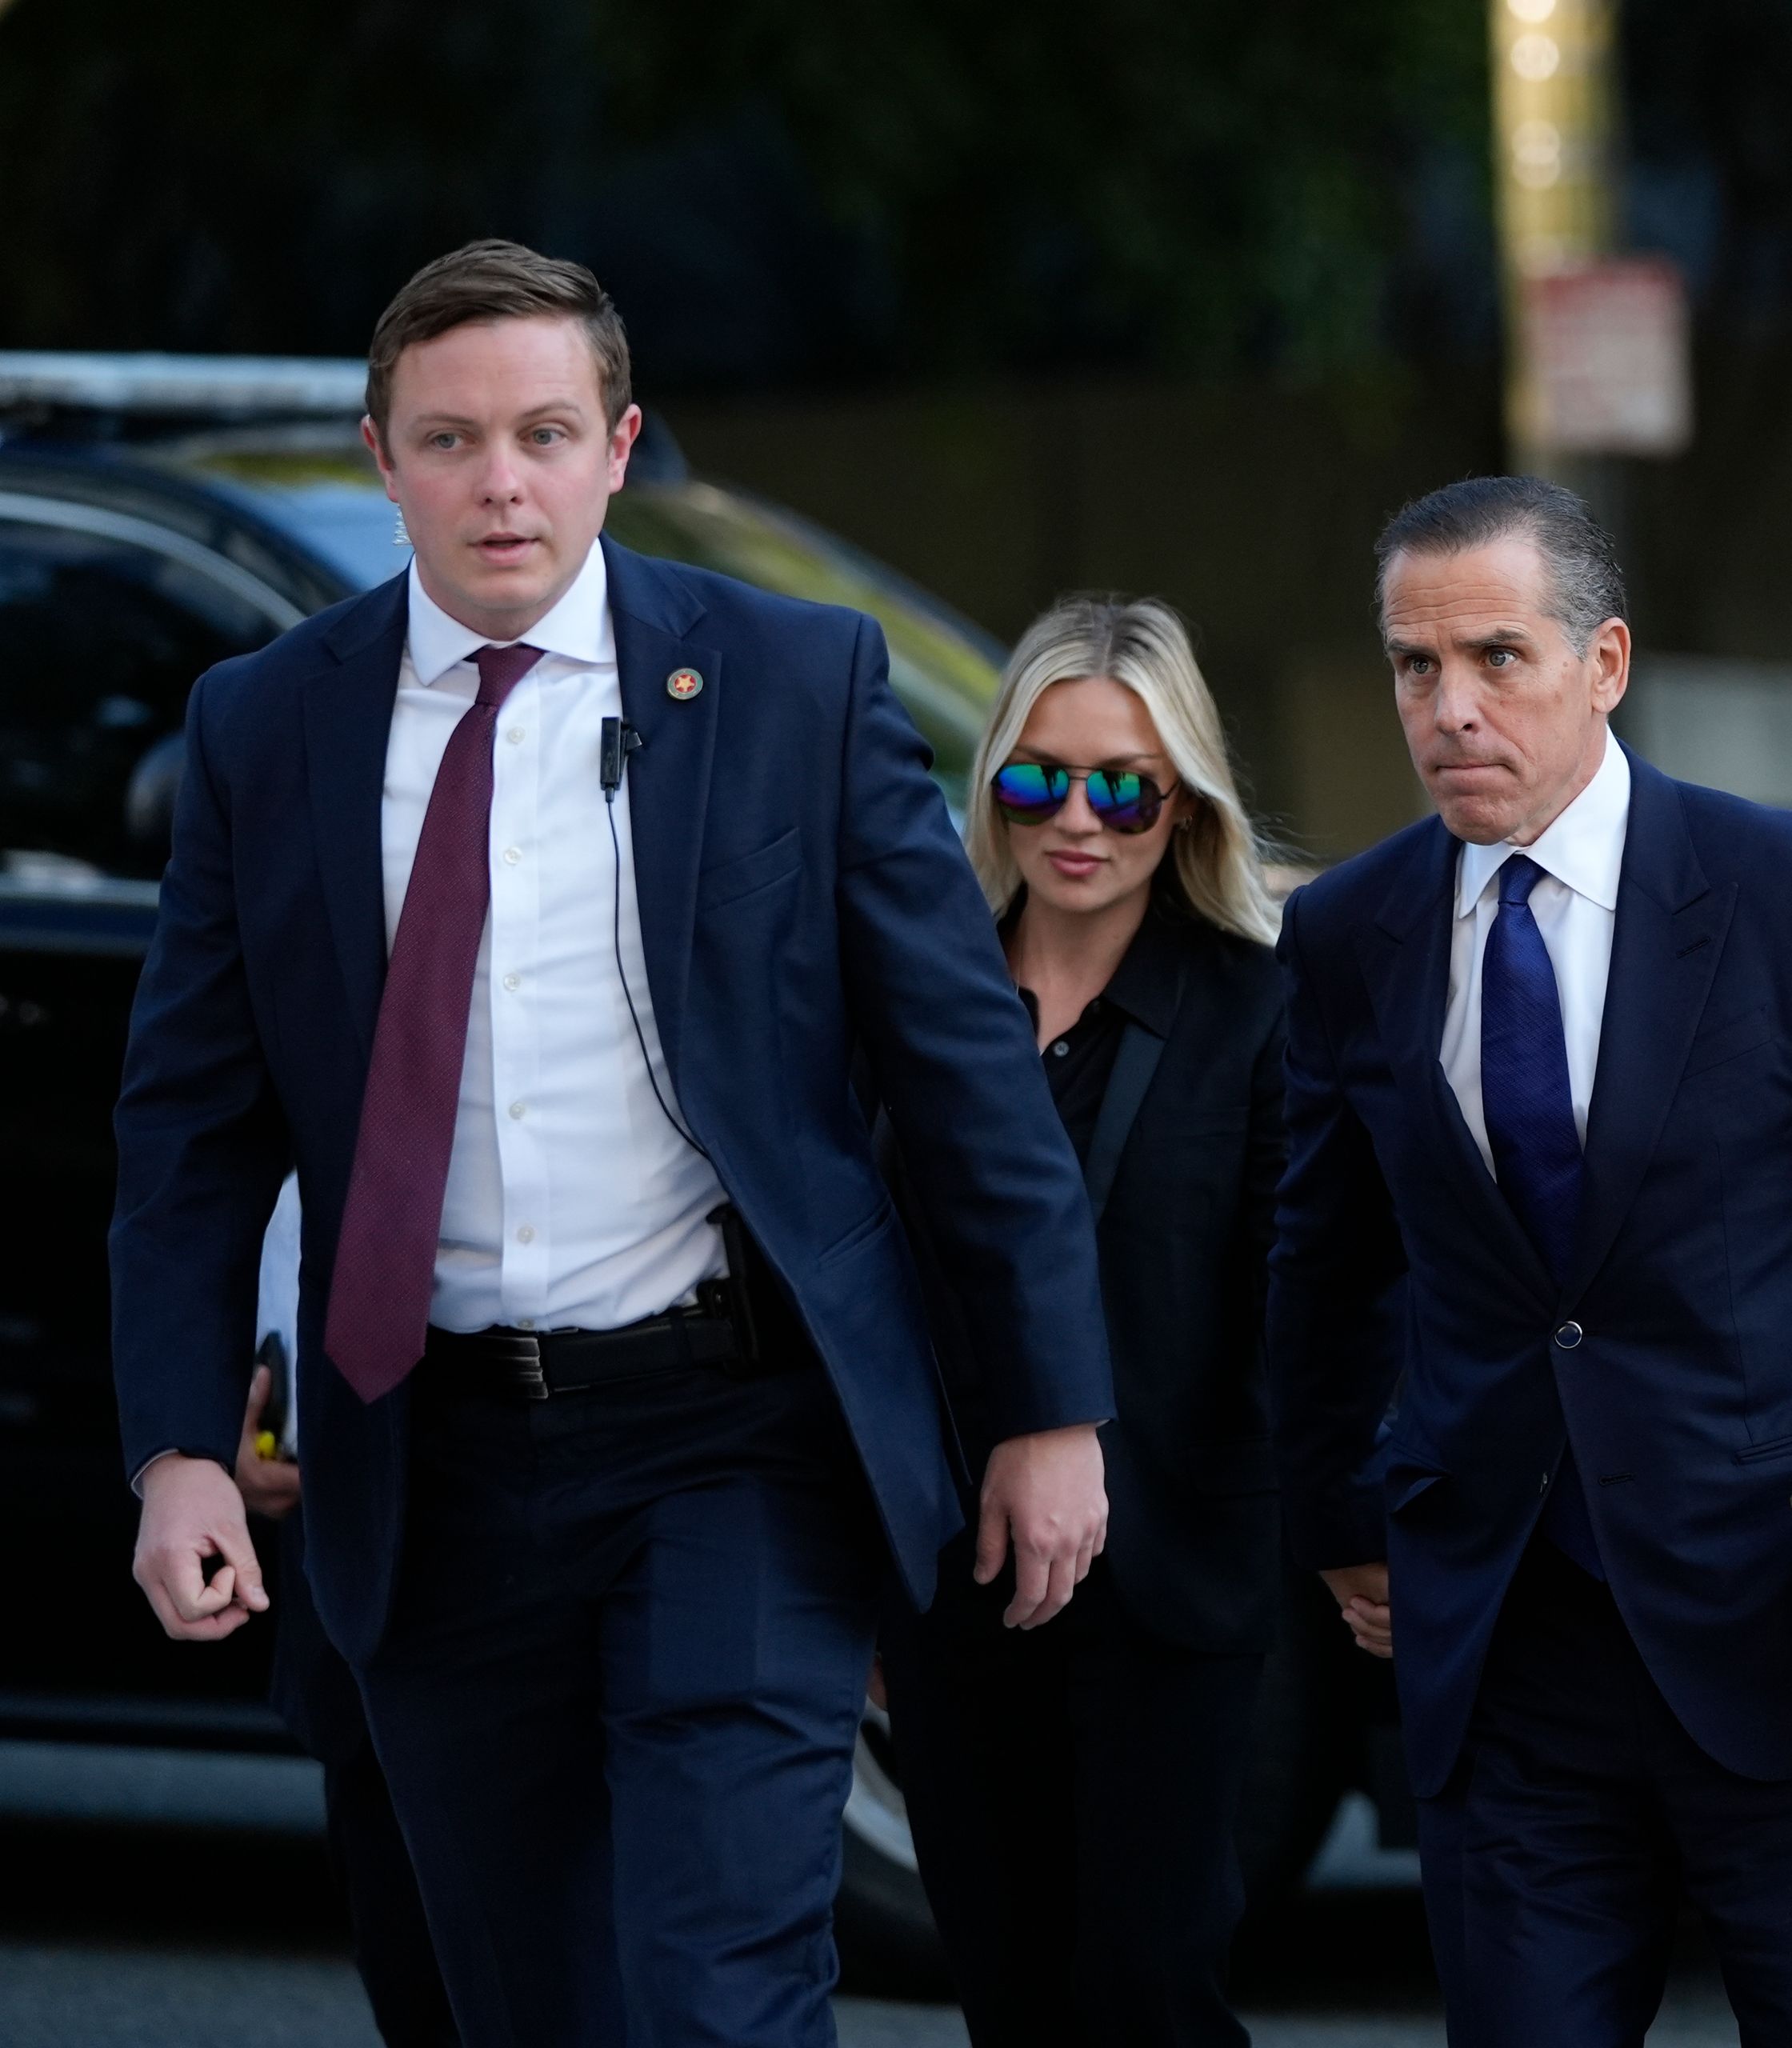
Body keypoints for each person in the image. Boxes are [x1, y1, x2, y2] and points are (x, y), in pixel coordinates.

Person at [107, 238, 1117, 2047]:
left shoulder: (791, 682)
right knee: (520, 2003)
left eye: (546, 432)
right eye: (454, 437)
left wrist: (1049, 1407)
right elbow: (190, 1122)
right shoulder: (268, 725)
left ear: (619, 443)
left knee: (715, 1992)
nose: (503, 479)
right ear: (381, 454)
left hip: (727, 1436)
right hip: (429, 1461)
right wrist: (182, 1441)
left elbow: (962, 1064)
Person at [1266, 477, 1792, 2046]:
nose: (1450, 706)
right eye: (1415, 667)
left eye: (1498, 656)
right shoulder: (1352, 930)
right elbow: (1323, 1258)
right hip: (1505, 1648)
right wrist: (1344, 1517)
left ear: (1607, 660)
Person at [875, 596, 1286, 2048]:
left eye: (1123, 786)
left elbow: (1296, 1302)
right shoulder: (915, 999)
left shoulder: (1259, 1008)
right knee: (1003, 1988)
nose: (1079, 820)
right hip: (946, 1584)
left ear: (1183, 805)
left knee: (1148, 1993)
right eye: (1038, 778)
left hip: (1170, 1582)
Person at [245, 1180, 459, 2048]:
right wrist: (195, 1416)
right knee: (414, 1951)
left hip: (619, 1436)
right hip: (338, 1471)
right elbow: (204, 1151)